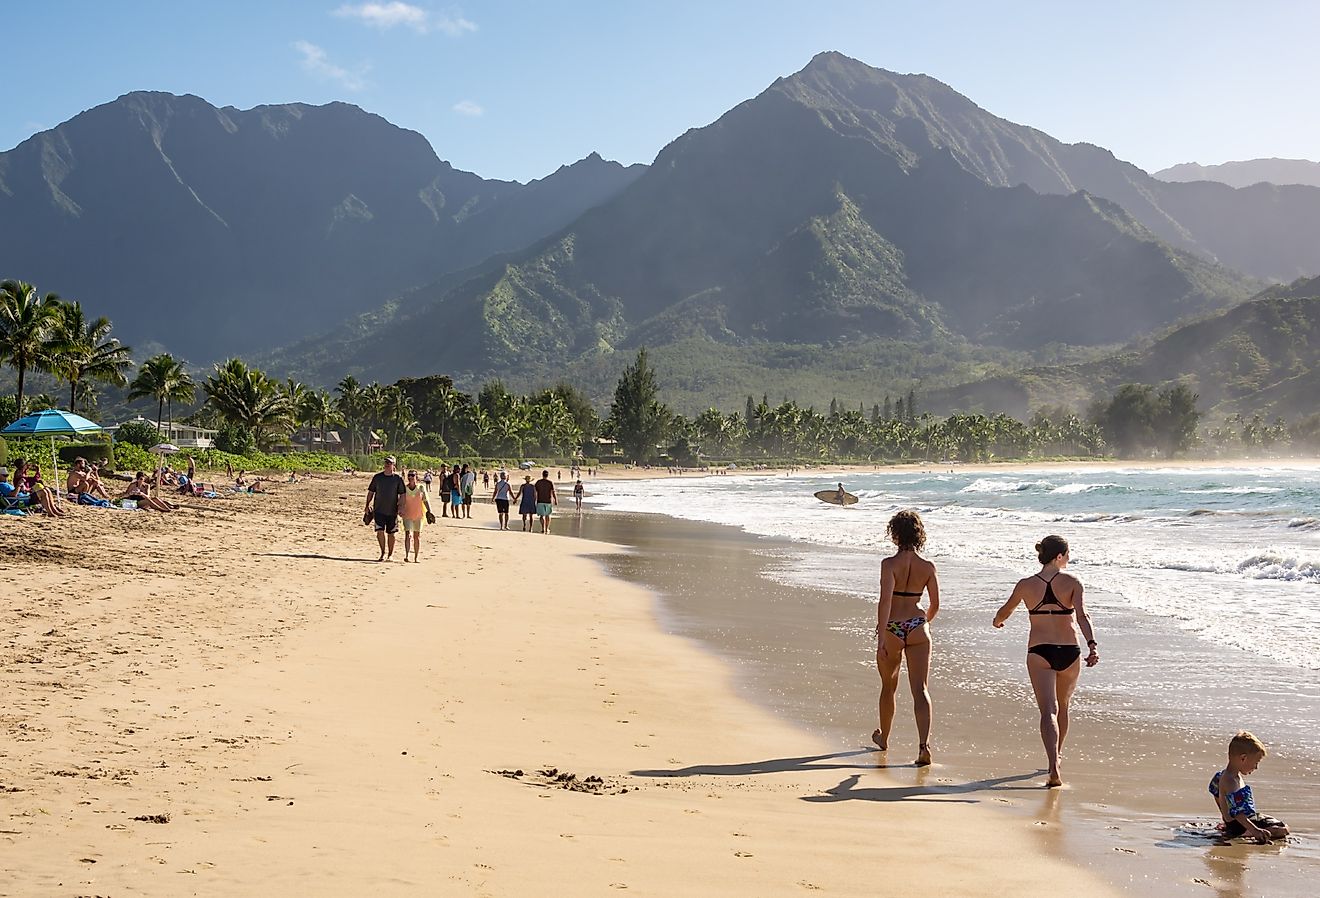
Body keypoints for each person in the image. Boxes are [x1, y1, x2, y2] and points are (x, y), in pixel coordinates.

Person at [993, 535, 1099, 787]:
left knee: (1047, 710)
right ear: (1059, 556)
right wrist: (1092, 645)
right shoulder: (1073, 582)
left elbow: (1005, 610)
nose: (1070, 559)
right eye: (1068, 554)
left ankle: (1052, 765)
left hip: (1039, 651)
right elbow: (1082, 616)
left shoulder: (1026, 584)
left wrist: (998, 621)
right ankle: (1058, 757)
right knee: (1063, 706)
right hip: (1069, 651)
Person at [873, 510, 940, 765]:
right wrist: (923, 623)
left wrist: (881, 637)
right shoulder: (928, 567)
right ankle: (924, 747)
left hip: (892, 627)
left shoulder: (889, 565)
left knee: (888, 686)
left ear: (895, 534)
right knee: (920, 689)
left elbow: (885, 601)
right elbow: (935, 604)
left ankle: (884, 738)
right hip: (917, 626)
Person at [1209, 731, 1289, 843]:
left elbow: (1215, 792)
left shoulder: (1222, 776)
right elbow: (1238, 813)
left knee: (1277, 823)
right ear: (1243, 758)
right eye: (1256, 762)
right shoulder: (1230, 781)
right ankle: (1247, 833)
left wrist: (1225, 817)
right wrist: (1255, 831)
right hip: (1239, 825)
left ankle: (1245, 830)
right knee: (1283, 829)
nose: (1256, 767)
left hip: (1239, 821)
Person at [364, 456, 407, 561]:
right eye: (386, 462)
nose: (387, 464)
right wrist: (367, 505)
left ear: (393, 465)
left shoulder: (398, 479)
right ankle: (383, 553)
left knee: (391, 533)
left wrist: (401, 507)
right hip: (378, 510)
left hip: (392, 511)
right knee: (379, 531)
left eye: (389, 463)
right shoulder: (377, 477)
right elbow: (371, 492)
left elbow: (403, 494)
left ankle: (390, 554)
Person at [399, 470, 435, 562]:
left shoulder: (421, 488)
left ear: (416, 477)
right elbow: (400, 501)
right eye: (409, 475)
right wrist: (399, 510)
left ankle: (416, 557)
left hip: (419, 515)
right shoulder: (404, 488)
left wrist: (430, 511)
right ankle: (407, 555)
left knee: (417, 536)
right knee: (408, 534)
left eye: (412, 475)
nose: (410, 477)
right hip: (407, 514)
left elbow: (426, 500)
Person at [534, 469, 557, 534]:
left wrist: (535, 499)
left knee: (541, 515)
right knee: (548, 515)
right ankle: (547, 528)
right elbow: (553, 492)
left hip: (540, 500)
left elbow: (535, 491)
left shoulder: (538, 482)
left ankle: (543, 528)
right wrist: (555, 500)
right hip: (548, 501)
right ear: (547, 475)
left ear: (542, 475)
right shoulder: (550, 482)